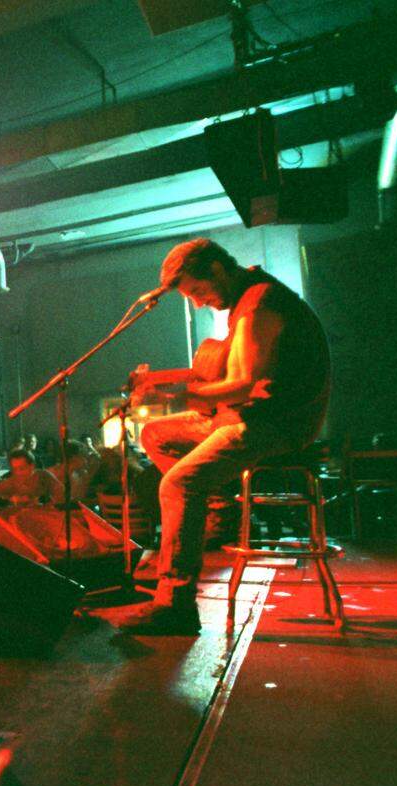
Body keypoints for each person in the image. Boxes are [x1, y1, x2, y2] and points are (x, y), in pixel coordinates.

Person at [121, 238, 330, 634]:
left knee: (177, 484)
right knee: (156, 434)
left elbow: (243, 383)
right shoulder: (245, 302)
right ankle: (218, 510)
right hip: (251, 417)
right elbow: (226, 377)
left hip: (276, 424)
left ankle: (175, 604)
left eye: (197, 291)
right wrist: (164, 383)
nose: (198, 303)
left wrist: (177, 395)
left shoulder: (259, 302)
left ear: (217, 269)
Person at [0, 448, 66, 507]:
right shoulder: (7, 484)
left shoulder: (44, 477)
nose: (18, 473)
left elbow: (62, 495)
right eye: (15, 469)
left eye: (22, 468)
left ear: (32, 466)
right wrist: (11, 500)